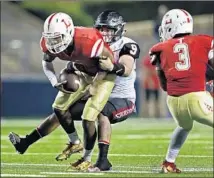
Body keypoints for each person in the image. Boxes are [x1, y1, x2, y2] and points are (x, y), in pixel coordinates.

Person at [9, 10, 140, 172]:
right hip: (95, 89)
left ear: (119, 29)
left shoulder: (127, 45)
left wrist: (111, 67)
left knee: (100, 112)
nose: (104, 33)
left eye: (109, 30)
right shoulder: (93, 43)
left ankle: (102, 160)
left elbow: (126, 69)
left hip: (122, 98)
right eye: (102, 29)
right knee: (61, 113)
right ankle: (25, 143)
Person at [149, 9, 214, 173]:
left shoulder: (159, 48)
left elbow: (163, 84)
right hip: (197, 98)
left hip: (173, 102)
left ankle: (168, 162)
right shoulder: (203, 41)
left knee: (184, 126)